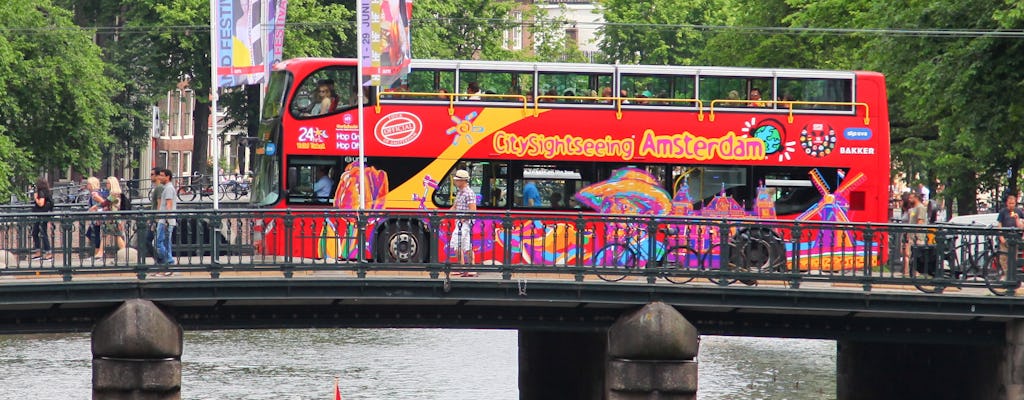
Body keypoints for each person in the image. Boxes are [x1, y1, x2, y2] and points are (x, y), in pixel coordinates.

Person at [449, 169, 477, 275]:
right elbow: (455, 206)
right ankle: (471, 269)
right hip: (461, 222)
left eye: (457, 180)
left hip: (464, 223)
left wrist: (463, 219)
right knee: (466, 246)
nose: (455, 182)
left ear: (463, 181)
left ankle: (463, 268)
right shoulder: (460, 192)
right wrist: (443, 216)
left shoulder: (468, 193)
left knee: (457, 244)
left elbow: (473, 210)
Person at [155, 168, 177, 272]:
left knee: (158, 242)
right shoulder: (168, 188)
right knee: (166, 242)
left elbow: (168, 205)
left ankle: (169, 260)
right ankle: (168, 263)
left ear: (168, 177)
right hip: (165, 220)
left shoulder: (168, 188)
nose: (160, 177)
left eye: (162, 176)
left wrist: (166, 220)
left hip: (165, 220)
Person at [997, 194, 1024, 272]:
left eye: (1013, 203)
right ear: (1007, 203)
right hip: (1005, 237)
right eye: (1010, 203)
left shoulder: (1019, 211)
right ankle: (1006, 273)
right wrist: (1001, 236)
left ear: (1015, 203)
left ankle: (1011, 273)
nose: (1011, 205)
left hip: (1015, 237)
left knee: (1013, 257)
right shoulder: (1003, 211)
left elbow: (1021, 225)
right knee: (1003, 257)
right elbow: (999, 224)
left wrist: (1017, 219)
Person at [903, 192, 928, 274]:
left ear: (916, 198)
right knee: (909, 254)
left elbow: (920, 222)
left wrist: (916, 234)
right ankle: (910, 272)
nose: (909, 200)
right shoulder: (914, 208)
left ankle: (917, 272)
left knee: (918, 254)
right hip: (911, 235)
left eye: (911, 198)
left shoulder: (920, 208)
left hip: (918, 236)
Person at [30, 179, 54, 261]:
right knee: (36, 232)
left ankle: (48, 253)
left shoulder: (41, 192)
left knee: (42, 233)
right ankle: (38, 252)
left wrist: (36, 197)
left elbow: (41, 203)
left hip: (41, 215)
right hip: (43, 215)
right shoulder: (46, 192)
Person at [85, 176, 108, 259]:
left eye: (88, 184)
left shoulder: (95, 194)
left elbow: (98, 205)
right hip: (96, 217)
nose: (87, 185)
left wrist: (94, 211)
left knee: (94, 234)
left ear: (92, 185)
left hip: (96, 218)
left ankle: (98, 253)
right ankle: (97, 253)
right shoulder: (98, 192)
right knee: (92, 234)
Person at [103, 177, 127, 253]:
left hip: (113, 219)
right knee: (113, 235)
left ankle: (125, 253)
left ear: (112, 184)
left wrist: (97, 198)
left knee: (114, 236)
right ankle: (100, 252)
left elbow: (104, 204)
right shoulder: (118, 194)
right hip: (116, 218)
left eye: (107, 183)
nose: (106, 185)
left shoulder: (113, 195)